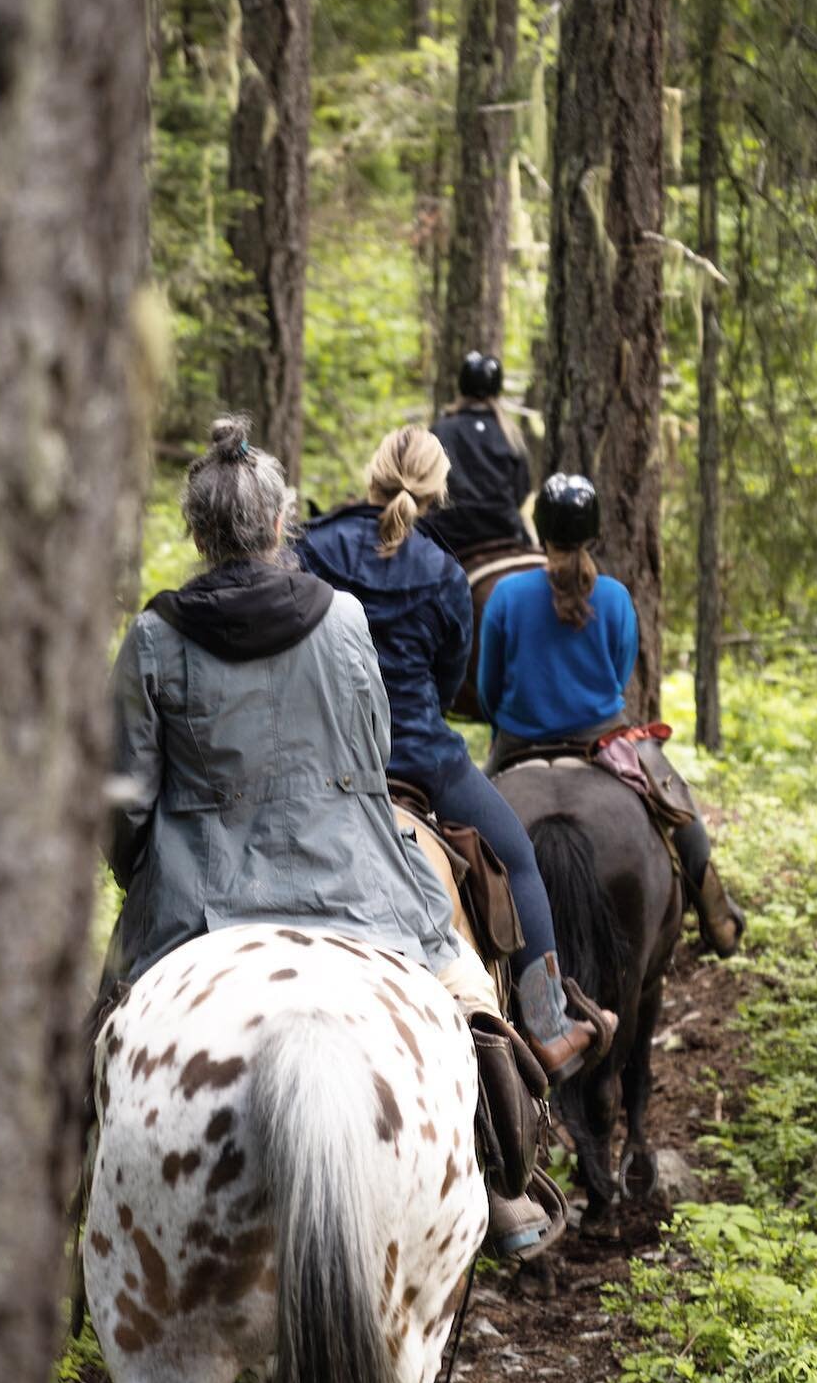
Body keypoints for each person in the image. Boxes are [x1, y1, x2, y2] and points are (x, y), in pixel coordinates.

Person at [105, 415, 554, 1255]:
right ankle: (503, 1180)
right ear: (279, 524)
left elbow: (127, 799)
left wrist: (142, 870)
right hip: (353, 877)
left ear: (197, 532)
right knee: (468, 995)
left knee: (105, 1029)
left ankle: (80, 1206)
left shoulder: (153, 638)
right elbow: (370, 749)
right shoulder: (343, 620)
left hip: (197, 898)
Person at [296, 425, 617, 1081]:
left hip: (327, 760)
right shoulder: (444, 572)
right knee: (521, 863)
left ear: (373, 474)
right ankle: (550, 1026)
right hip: (422, 761)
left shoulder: (314, 546)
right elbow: (447, 684)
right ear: (438, 492)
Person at [478, 472, 745, 958]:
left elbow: (487, 686)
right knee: (677, 803)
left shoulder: (506, 597)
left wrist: (511, 721)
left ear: (539, 532)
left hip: (517, 742)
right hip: (603, 740)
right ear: (595, 534)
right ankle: (718, 916)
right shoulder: (617, 598)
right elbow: (621, 674)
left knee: (458, 823)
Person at [423, 351, 533, 556]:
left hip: (451, 533)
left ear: (462, 386)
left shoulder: (441, 429)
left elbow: (426, 486)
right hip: (505, 529)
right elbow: (522, 488)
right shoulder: (510, 433)